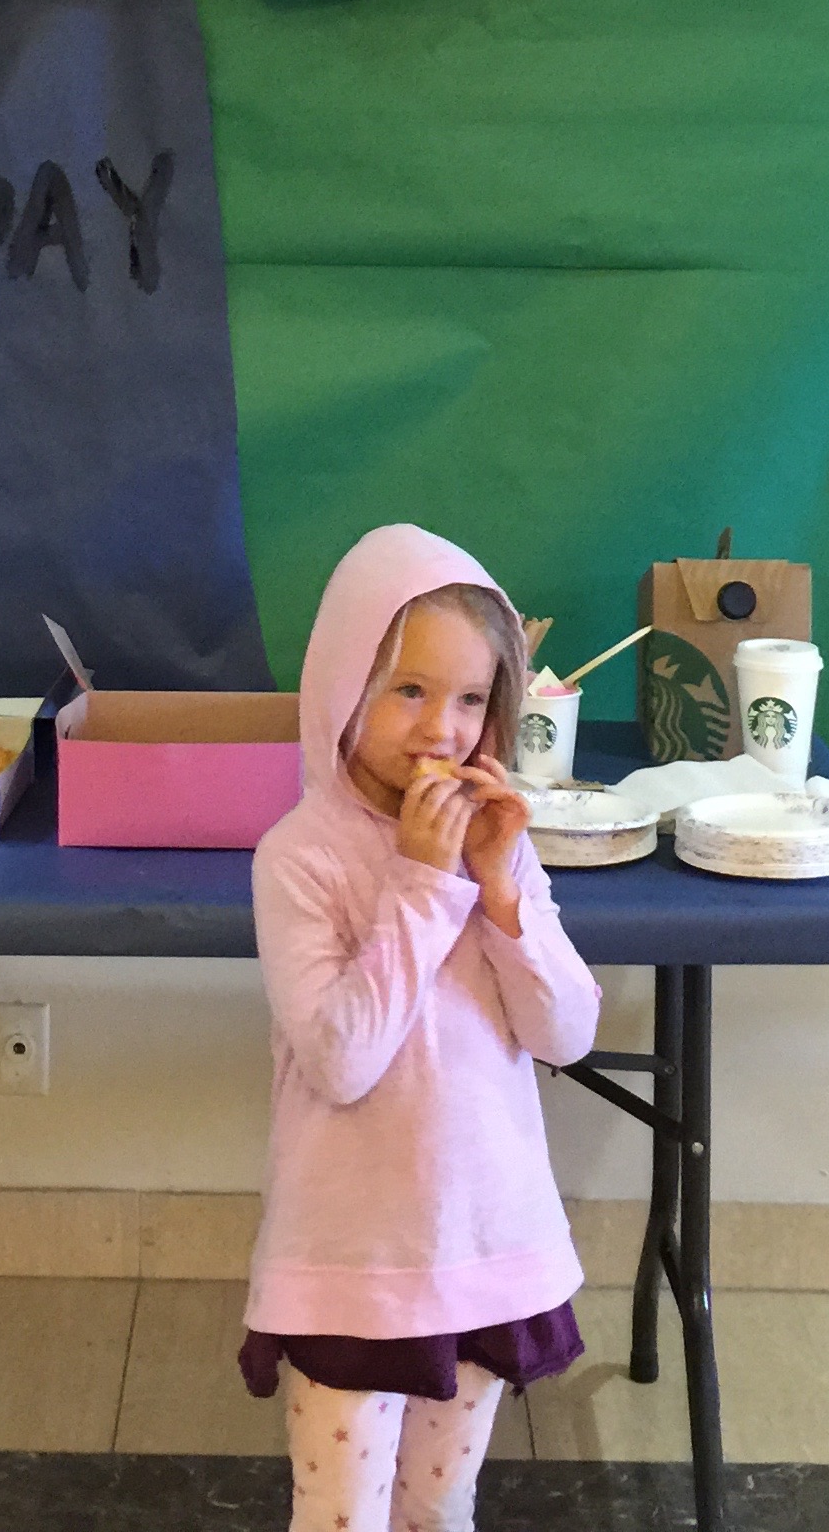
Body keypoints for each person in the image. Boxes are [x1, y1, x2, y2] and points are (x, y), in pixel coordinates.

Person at [240, 525, 602, 1532]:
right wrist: (422, 883)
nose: (443, 729)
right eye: (409, 690)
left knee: (441, 1510)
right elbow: (342, 1061)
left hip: (482, 1245)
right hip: (353, 1265)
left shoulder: (497, 843)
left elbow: (565, 1034)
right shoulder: (300, 857)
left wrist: (498, 887)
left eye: (472, 699)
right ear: (343, 686)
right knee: (341, 1517)